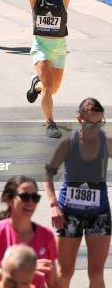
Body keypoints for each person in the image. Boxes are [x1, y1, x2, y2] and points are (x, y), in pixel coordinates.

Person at [0, 0, 106, 138]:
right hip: (41, 46)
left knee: (51, 88)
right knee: (48, 84)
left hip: (59, 48)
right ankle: (50, 123)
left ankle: (36, 86)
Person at [43, 98, 110, 288]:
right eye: (90, 124)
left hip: (99, 214)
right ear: (79, 119)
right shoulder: (67, 143)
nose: (95, 128)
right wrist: (54, 205)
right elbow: (47, 175)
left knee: (96, 274)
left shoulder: (107, 142)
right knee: (64, 273)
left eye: (100, 123)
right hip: (69, 215)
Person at [0, 176, 59, 288]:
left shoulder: (46, 235)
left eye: (35, 198)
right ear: (9, 200)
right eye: (25, 197)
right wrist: (25, 269)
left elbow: (53, 283)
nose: (31, 202)